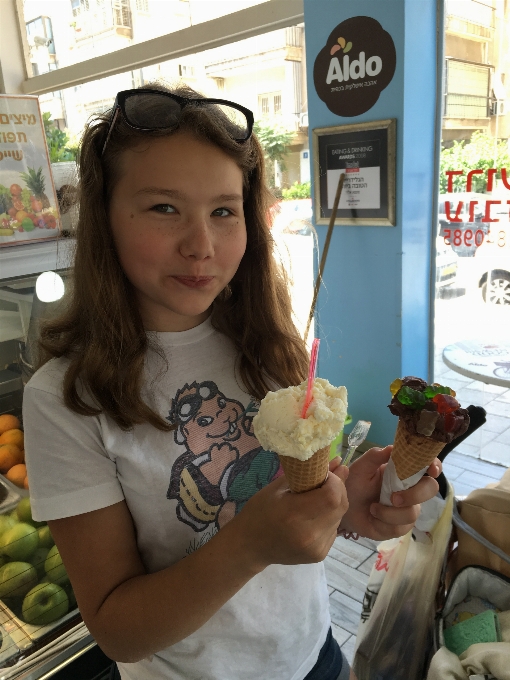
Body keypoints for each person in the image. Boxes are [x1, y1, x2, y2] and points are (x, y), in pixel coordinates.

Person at [23, 84, 442, 680]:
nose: (201, 246)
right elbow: (116, 630)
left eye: (224, 211)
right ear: (104, 219)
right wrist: (247, 544)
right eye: (164, 208)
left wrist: (348, 504)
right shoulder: (66, 399)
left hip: (315, 656)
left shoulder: (268, 347)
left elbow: (291, 507)